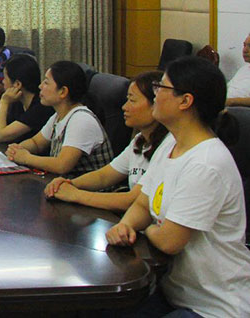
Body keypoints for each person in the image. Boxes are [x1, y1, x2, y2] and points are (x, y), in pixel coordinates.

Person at [106, 56, 250, 317]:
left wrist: (146, 228)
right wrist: (125, 225)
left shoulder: (206, 163)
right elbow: (143, 203)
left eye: (161, 87)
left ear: (185, 101)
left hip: (214, 306)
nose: (156, 94)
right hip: (174, 291)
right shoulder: (171, 144)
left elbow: (169, 241)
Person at [44, 71, 170, 212]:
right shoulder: (139, 141)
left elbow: (132, 200)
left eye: (132, 100)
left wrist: (75, 195)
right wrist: (69, 183)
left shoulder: (168, 146)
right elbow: (103, 176)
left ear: (156, 104)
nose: (124, 107)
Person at [6, 61, 114, 177]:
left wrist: (26, 158)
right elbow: (36, 143)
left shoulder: (81, 120)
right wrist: (17, 149)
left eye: (46, 82)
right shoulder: (58, 116)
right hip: (66, 184)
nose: (40, 86)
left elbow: (62, 165)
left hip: (87, 187)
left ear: (63, 92)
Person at [0, 54, 53, 142]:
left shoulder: (40, 107)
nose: (3, 82)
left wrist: (4, 101)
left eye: (5, 78)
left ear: (17, 84)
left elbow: (0, 136)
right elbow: (11, 122)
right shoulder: (19, 100)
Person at [225, 32, 250, 107]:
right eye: (244, 45)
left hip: (239, 109)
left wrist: (231, 101)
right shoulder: (244, 69)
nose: (245, 50)